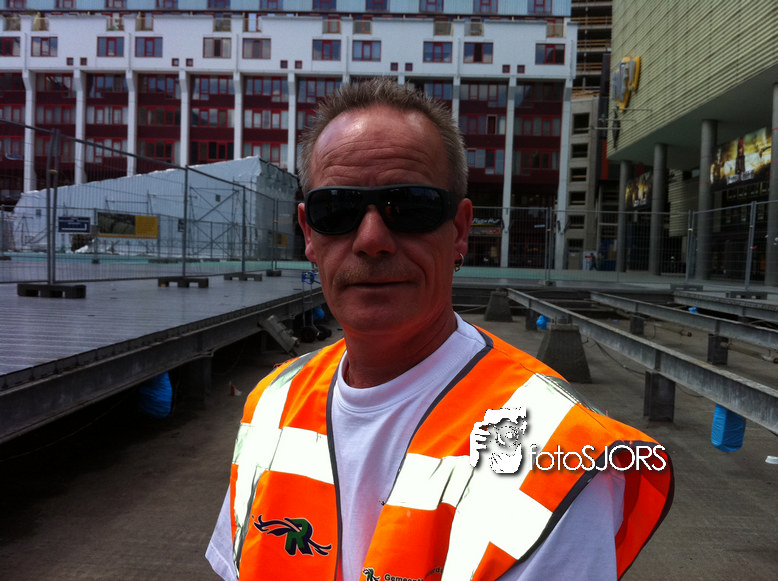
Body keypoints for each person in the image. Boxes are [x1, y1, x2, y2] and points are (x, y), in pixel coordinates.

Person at [206, 78, 673, 581]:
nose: (371, 239)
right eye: (336, 209)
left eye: (410, 206)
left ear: (460, 231)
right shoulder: (270, 406)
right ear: (308, 233)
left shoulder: (552, 449)